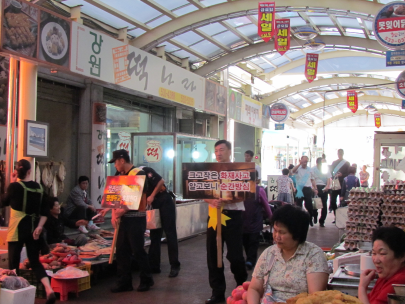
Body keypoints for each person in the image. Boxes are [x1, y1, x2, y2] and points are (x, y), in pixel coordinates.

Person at [247, 204, 329, 303]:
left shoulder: (313, 255)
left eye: (282, 232)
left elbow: (314, 297)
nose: (277, 236)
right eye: (275, 231)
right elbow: (254, 288)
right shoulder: (269, 253)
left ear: (297, 234)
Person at [1, 159, 56, 304]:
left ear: (17, 172)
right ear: (29, 171)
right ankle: (49, 289)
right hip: (33, 229)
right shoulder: (39, 188)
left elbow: (4, 202)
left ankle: (15, 296)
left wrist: (11, 183)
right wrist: (39, 227)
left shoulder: (14, 187)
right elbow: (45, 211)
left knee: (13, 263)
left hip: (17, 228)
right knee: (35, 262)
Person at [102, 149, 154, 293]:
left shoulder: (139, 174)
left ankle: (146, 279)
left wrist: (121, 211)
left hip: (136, 219)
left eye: (116, 163)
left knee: (137, 250)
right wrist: (114, 215)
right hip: (123, 220)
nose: (115, 166)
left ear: (122, 160)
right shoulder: (119, 175)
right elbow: (115, 197)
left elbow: (136, 197)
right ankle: (124, 282)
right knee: (122, 251)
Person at [205, 140, 248, 304]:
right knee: (213, 254)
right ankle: (217, 292)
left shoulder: (239, 170)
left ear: (230, 151)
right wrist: (211, 201)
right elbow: (201, 191)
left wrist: (227, 200)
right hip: (214, 216)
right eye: (216, 151)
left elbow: (245, 194)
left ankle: (241, 286)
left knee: (235, 255)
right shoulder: (209, 170)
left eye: (221, 150)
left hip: (233, 215)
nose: (218, 153)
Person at [140, 166, 181, 278]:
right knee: (155, 234)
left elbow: (161, 181)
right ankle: (154, 265)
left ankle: (174, 265)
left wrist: (152, 195)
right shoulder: (129, 178)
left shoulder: (144, 170)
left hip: (164, 201)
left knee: (170, 233)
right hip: (153, 205)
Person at [359, 227, 405, 304]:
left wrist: (362, 287)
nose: (376, 260)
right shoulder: (386, 275)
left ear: (402, 256)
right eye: (374, 253)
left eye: (382, 253)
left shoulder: (400, 280)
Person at [243, 171, 273, 270]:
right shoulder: (241, 189)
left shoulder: (259, 190)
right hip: (244, 222)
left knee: (253, 241)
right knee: (247, 242)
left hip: (254, 221)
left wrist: (271, 217)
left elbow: (266, 205)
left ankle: (250, 261)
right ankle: (249, 259)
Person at [292, 156, 318, 226]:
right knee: (299, 206)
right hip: (299, 189)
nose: (305, 163)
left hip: (307, 189)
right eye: (303, 161)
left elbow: (312, 179)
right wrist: (299, 164)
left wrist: (315, 188)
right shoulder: (298, 169)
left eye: (306, 161)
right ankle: (300, 220)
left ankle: (310, 218)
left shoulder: (310, 170)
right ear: (301, 161)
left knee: (309, 205)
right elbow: (292, 171)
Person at [330, 149, 350, 222]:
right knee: (332, 201)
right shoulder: (334, 163)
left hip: (342, 184)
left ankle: (342, 217)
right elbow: (330, 172)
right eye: (339, 153)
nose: (339, 154)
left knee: (343, 202)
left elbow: (348, 174)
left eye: (341, 153)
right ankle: (336, 216)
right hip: (335, 184)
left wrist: (342, 175)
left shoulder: (346, 163)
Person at [312, 157, 331, 227]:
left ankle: (322, 220)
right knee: (315, 204)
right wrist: (315, 188)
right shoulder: (313, 169)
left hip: (324, 187)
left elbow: (329, 178)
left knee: (324, 205)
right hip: (316, 187)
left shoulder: (325, 169)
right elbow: (312, 179)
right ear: (317, 163)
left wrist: (327, 186)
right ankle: (315, 215)